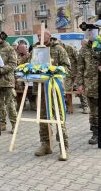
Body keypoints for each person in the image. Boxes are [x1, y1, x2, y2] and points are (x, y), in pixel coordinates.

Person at [33, 30, 70, 161]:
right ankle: (45, 144)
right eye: (38, 35)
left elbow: (67, 67)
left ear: (49, 36)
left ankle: (63, 147)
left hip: (55, 89)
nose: (40, 37)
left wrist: (53, 70)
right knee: (42, 117)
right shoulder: (36, 49)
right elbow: (32, 66)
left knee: (59, 117)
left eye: (42, 35)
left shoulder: (58, 48)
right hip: (41, 89)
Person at [0, 32, 17, 134]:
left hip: (7, 80)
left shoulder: (9, 49)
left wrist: (0, 71)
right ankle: (2, 124)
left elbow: (13, 64)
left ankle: (14, 124)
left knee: (10, 103)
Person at [76, 38, 99, 145]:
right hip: (91, 85)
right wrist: (80, 84)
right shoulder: (84, 50)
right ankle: (96, 133)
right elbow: (80, 68)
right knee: (93, 111)